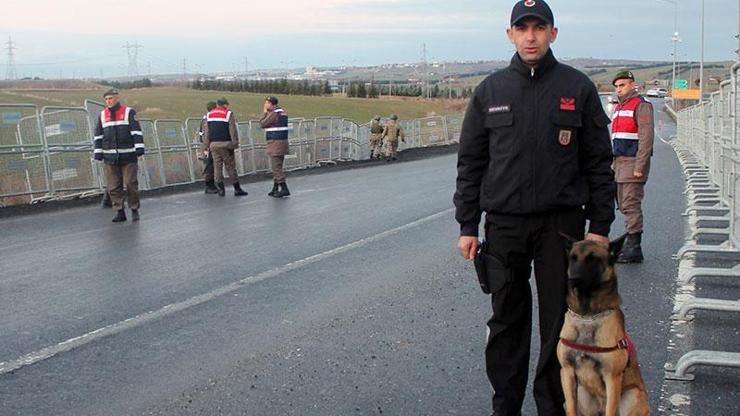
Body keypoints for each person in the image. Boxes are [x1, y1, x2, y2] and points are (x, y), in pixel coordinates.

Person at [453, 1, 616, 414]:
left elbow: (598, 161)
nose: (530, 35)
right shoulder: (490, 91)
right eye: (522, 28)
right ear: (510, 34)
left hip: (561, 227)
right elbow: (471, 163)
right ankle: (504, 407)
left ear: (553, 34)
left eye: (538, 27)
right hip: (504, 226)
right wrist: (468, 225)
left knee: (558, 325)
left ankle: (552, 407)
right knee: (506, 320)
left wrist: (599, 225)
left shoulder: (576, 88)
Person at [611, 70, 654, 263]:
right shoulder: (619, 107)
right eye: (617, 86)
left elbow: (646, 139)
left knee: (630, 204)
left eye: (623, 85)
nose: (619, 89)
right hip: (619, 163)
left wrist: (640, 165)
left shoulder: (641, 106)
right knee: (623, 204)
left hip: (632, 162)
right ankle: (629, 242)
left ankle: (634, 247)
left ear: (633, 85)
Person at [93, 89, 145, 222]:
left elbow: (136, 132)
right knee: (114, 186)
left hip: (128, 155)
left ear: (117, 98)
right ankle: (119, 211)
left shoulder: (128, 112)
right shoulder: (102, 115)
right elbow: (98, 135)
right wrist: (98, 152)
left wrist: (139, 148)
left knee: (130, 183)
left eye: (111, 98)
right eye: (106, 99)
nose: (108, 101)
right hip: (110, 157)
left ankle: (134, 209)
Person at [202, 97, 248, 197]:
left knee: (217, 167)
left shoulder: (209, 115)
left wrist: (206, 146)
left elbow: (206, 132)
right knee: (230, 166)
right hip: (226, 144)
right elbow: (232, 130)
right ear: (225, 105)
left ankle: (221, 190)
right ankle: (237, 189)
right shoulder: (228, 113)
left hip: (213, 145)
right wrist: (235, 144)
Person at [260, 96, 291, 197]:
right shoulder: (282, 112)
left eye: (267, 103)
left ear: (271, 104)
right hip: (282, 142)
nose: (265, 105)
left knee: (276, 168)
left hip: (275, 143)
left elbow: (262, 123)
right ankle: (275, 188)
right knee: (278, 166)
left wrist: (265, 112)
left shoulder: (274, 114)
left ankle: (284, 188)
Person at [199, 101, 219, 194]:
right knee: (209, 165)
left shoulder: (206, 118)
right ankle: (209, 185)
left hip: (208, 144)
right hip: (207, 144)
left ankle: (212, 184)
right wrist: (206, 147)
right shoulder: (208, 119)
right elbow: (206, 134)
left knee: (212, 165)